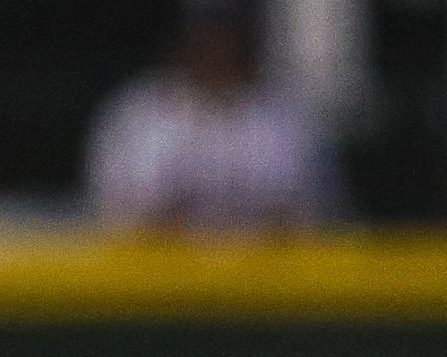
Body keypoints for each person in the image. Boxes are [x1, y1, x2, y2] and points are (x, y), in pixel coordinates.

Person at [86, 0, 339, 231]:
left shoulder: (288, 118)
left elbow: (317, 219)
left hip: (271, 267)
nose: (216, 45)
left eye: (226, 31)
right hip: (156, 267)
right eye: (205, 30)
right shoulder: (137, 114)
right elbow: (111, 220)